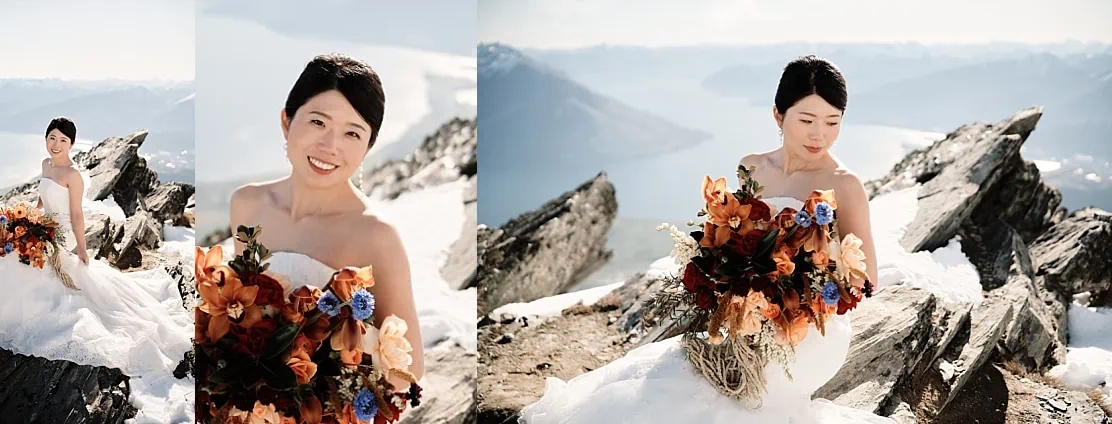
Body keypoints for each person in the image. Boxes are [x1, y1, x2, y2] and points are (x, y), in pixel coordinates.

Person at [518, 56, 892, 423]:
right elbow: (731, 234)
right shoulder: (753, 166)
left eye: (832, 122)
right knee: (670, 392)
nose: (819, 135)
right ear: (778, 115)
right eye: (807, 120)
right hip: (742, 321)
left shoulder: (844, 184)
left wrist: (799, 282)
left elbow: (866, 279)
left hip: (807, 331)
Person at [0, 116, 193, 379]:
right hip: (42, 225)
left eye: (63, 140)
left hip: (61, 235)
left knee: (31, 267)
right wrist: (26, 217)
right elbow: (43, 196)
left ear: (71, 144)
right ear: (46, 139)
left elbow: (76, 214)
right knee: (9, 254)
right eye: (52, 138)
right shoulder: (46, 164)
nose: (56, 144)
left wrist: (82, 249)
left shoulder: (74, 175)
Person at [227, 53, 426, 387]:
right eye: (318, 122)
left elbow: (409, 369)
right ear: (286, 122)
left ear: (367, 148)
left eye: (352, 134)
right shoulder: (247, 205)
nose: (330, 146)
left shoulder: (376, 235)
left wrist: (333, 370)